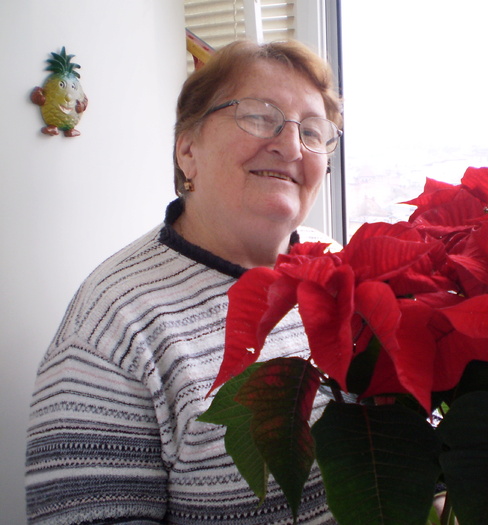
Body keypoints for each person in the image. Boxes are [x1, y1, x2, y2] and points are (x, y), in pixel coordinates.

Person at [25, 39, 343, 525]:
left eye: (313, 131)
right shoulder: (113, 324)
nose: (292, 145)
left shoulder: (337, 263)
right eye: (260, 116)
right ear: (188, 149)